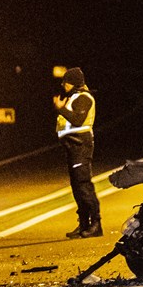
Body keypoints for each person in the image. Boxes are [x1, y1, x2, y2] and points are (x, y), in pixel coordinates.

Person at [53, 67, 102, 238]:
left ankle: (96, 224)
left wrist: (60, 109)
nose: (63, 86)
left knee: (83, 184)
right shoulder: (74, 97)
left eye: (65, 82)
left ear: (71, 83)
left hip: (81, 145)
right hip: (73, 146)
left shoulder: (84, 98)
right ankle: (83, 224)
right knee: (76, 186)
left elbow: (77, 119)